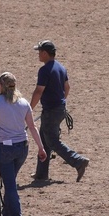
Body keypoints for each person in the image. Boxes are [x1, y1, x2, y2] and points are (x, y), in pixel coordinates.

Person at [0, 72, 47, 216]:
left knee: (10, 185)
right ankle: (7, 215)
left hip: (5, 149)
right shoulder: (24, 103)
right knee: (10, 181)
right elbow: (32, 127)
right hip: (22, 148)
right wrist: (41, 147)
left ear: (1, 86)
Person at [29, 40, 89, 183]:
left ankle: (77, 161)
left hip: (51, 111)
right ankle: (41, 174)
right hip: (59, 109)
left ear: (44, 53)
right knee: (44, 140)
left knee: (53, 142)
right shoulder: (61, 68)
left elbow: (38, 91)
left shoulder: (44, 70)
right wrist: (60, 102)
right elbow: (67, 87)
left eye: (39, 52)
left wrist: (29, 109)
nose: (38, 54)